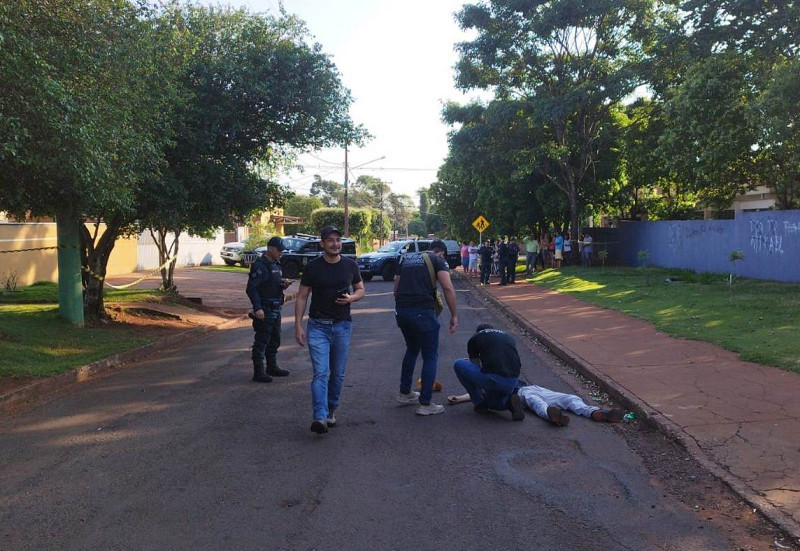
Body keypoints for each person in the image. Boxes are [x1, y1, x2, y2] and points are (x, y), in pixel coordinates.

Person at [295, 226, 365, 435]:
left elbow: (361, 289)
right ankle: (320, 416)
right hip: (318, 326)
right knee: (320, 373)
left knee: (338, 374)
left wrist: (351, 298)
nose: (335, 244)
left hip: (342, 326)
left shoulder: (350, 265)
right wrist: (298, 324)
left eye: (338, 240)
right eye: (330, 240)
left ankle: (331, 409)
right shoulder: (313, 267)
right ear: (323, 243)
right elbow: (302, 296)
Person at [394, 239, 458, 416]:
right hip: (422, 311)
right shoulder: (438, 261)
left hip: (402, 311)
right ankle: (425, 403)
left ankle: (405, 392)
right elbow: (448, 288)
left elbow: (395, 289)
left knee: (412, 349)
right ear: (441, 252)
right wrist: (454, 315)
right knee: (430, 355)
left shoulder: (406, 259)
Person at [448, 384, 624, 427]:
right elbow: (478, 394)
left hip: (535, 387)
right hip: (523, 393)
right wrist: (459, 397)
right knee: (536, 403)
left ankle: (595, 412)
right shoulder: (492, 382)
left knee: (569, 398)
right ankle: (552, 415)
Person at [452, 324, 525, 421]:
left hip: (493, 378)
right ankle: (509, 403)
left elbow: (475, 365)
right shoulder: (507, 336)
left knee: (458, 364)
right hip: (512, 380)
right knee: (491, 401)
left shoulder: (475, 338)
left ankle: (479, 403)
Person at [246, 236, 293, 383]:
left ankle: (272, 367)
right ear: (270, 248)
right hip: (265, 309)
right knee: (262, 340)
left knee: (275, 339)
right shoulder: (260, 265)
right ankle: (258, 372)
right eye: (278, 250)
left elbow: (271, 283)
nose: (281, 253)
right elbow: (251, 288)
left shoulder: (276, 264)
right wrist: (257, 308)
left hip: (275, 307)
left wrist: (283, 285)